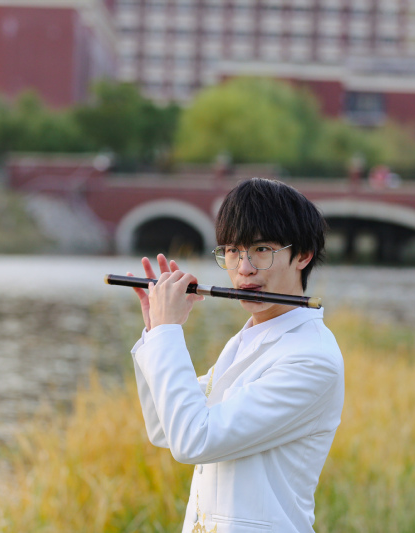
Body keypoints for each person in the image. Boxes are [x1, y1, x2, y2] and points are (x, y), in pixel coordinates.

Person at [127, 177, 344, 533]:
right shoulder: (245, 340)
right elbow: (164, 430)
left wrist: (168, 333)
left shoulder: (311, 358)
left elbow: (194, 439)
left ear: (303, 255)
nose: (243, 269)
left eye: (262, 250)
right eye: (231, 251)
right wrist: (155, 330)